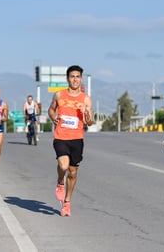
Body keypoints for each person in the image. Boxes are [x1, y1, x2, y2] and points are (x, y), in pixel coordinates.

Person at [48, 65, 93, 216]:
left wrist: (86, 114)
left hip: (77, 139)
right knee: (63, 164)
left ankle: (66, 203)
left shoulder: (85, 99)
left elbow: (90, 122)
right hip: (61, 136)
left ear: (81, 79)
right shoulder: (59, 95)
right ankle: (60, 182)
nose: (75, 79)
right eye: (72, 76)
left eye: (78, 76)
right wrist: (53, 117)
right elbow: (51, 110)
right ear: (67, 78)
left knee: (73, 172)